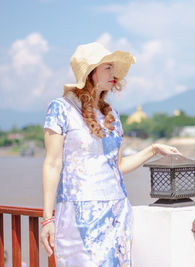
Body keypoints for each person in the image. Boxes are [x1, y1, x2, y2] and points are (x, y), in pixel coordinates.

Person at [40, 42, 180, 266]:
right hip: (80, 213)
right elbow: (52, 164)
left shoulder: (111, 114)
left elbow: (118, 166)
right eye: (107, 68)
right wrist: (47, 218)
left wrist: (153, 149)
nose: (114, 74)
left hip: (117, 210)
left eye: (114, 69)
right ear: (90, 73)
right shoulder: (60, 108)